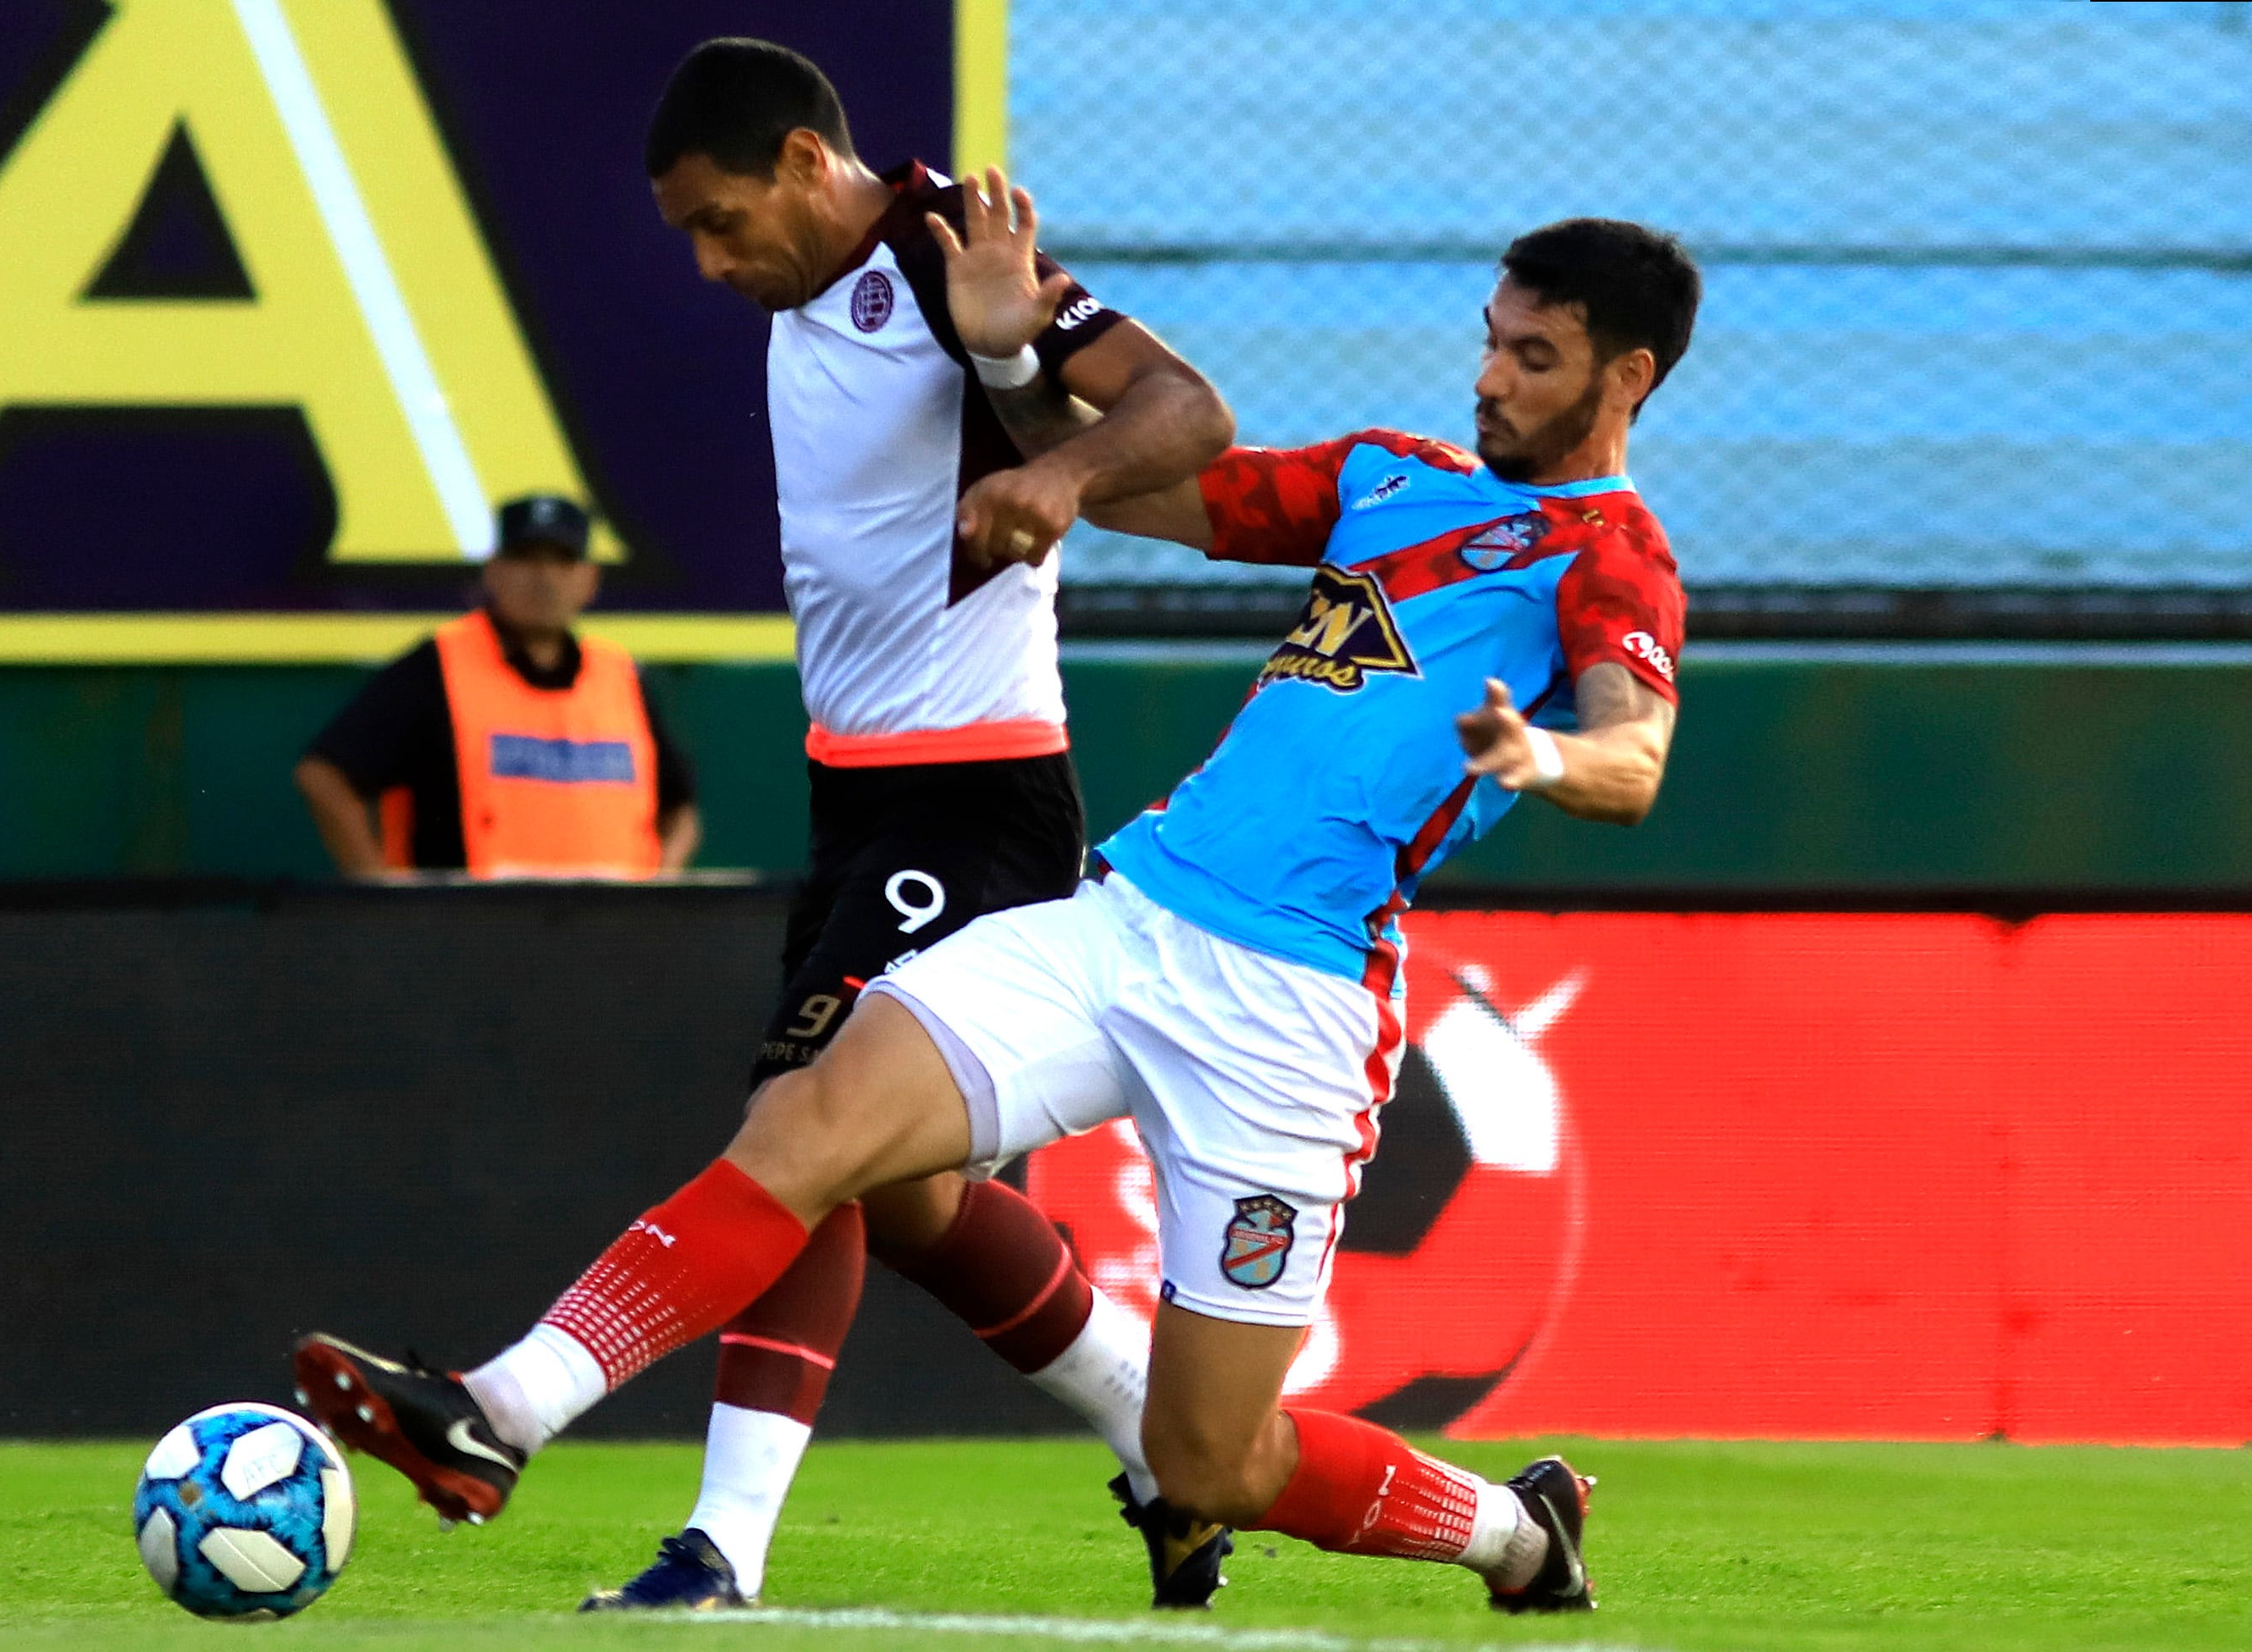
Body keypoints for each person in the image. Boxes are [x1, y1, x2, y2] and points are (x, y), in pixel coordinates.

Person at [290, 207, 1696, 1613]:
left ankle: (1518, 1538)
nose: (1490, 379)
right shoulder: (1396, 479)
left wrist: (1549, 755)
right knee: (814, 1122)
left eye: (1533, 357)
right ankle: (495, 1413)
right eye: (1491, 344)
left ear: (1622, 379)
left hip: (1290, 1016)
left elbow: (1633, 762)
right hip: (1123, 921)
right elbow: (1141, 495)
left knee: (1211, 1459)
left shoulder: (1612, 556)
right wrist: (1006, 359)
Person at [432, 41, 1233, 1611]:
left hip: (970, 791)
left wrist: (1060, 470)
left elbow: (1189, 412)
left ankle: (689, 1525)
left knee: (800, 1125)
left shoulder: (951, 259)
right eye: (688, 237)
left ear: (809, 159)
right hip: (862, 790)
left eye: (721, 223)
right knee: (909, 1201)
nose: (710, 263)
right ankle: (1168, 1445)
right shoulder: (815, 292)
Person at [295, 494, 700, 880]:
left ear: (589, 580)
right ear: (494, 572)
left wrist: (661, 884)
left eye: (562, 561)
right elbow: (324, 775)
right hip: (469, 938)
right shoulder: (438, 666)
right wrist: (379, 896)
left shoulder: (621, 676)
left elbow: (680, 810)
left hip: (612, 937)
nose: (543, 578)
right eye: (526, 559)